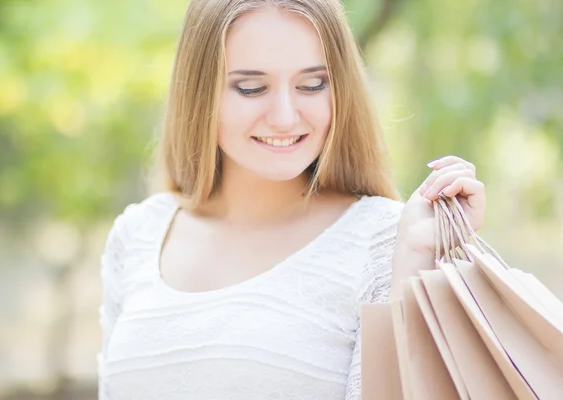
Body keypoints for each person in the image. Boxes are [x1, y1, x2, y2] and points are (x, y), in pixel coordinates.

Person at [97, 0, 486, 399]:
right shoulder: (139, 234)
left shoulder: (388, 239)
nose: (284, 116)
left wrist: (415, 261)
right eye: (251, 87)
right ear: (200, 92)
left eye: (312, 84)